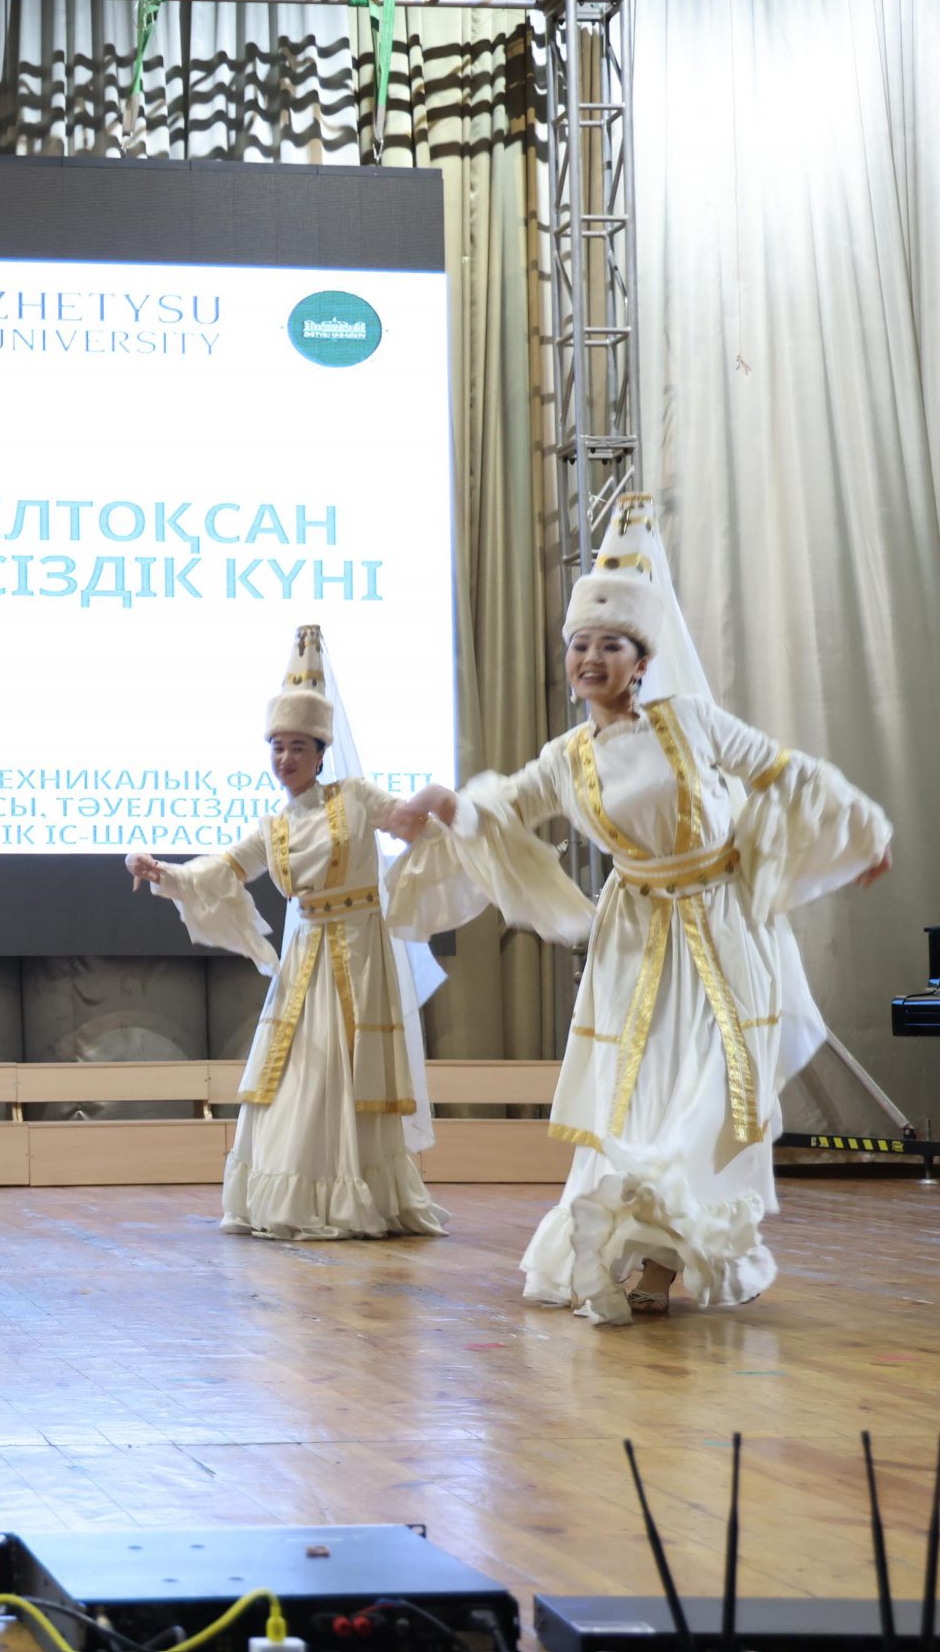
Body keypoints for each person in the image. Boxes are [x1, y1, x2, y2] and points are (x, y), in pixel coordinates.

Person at [384, 511, 892, 1323]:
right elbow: (505, 807)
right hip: (635, 939)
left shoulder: (689, 720)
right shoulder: (568, 757)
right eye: (580, 644)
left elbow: (782, 770)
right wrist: (444, 802)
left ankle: (668, 1253)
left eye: (610, 645)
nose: (591, 658)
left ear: (643, 660)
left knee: (709, 1093)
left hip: (721, 927)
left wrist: (855, 832)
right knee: (640, 1097)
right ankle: (638, 1248)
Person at [128, 625, 449, 1241]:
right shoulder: (273, 826)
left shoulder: (355, 797)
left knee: (342, 1072)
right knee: (296, 1072)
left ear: (321, 752)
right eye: (276, 747)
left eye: (297, 747)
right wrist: (160, 871)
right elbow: (221, 870)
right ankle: (291, 1193)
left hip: (358, 953)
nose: (285, 759)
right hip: (305, 956)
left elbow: (410, 825)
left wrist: (440, 801)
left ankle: (354, 1194)